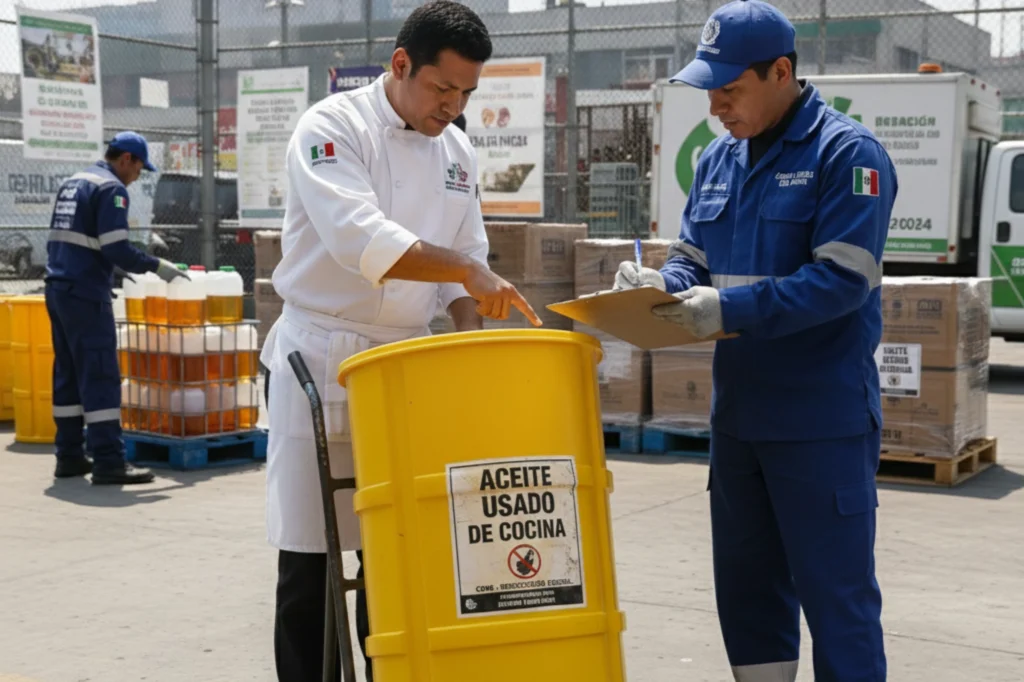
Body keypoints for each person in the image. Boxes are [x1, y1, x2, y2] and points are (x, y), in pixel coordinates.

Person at [615, 1, 896, 680]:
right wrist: (660, 284)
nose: (717, 107)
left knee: (837, 601)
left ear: (781, 73)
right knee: (748, 595)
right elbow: (692, 257)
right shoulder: (718, 158)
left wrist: (729, 309)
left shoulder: (847, 155)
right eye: (709, 91)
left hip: (819, 421)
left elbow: (841, 281)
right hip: (740, 421)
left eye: (730, 90)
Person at [259, 2, 540, 680]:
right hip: (321, 356)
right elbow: (358, 238)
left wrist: (469, 338)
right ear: (401, 64)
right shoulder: (332, 127)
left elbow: (466, 261)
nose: (453, 106)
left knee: (395, 558)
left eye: (466, 93)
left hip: (404, 366)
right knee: (311, 561)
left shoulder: (457, 151)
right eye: (443, 88)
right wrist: (466, 271)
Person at [45, 131, 187, 485]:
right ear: (127, 159)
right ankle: (109, 461)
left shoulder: (74, 182)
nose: (137, 176)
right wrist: (156, 266)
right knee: (100, 375)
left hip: (58, 288)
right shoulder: (111, 189)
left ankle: (69, 456)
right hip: (85, 294)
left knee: (68, 373)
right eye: (139, 169)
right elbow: (116, 249)